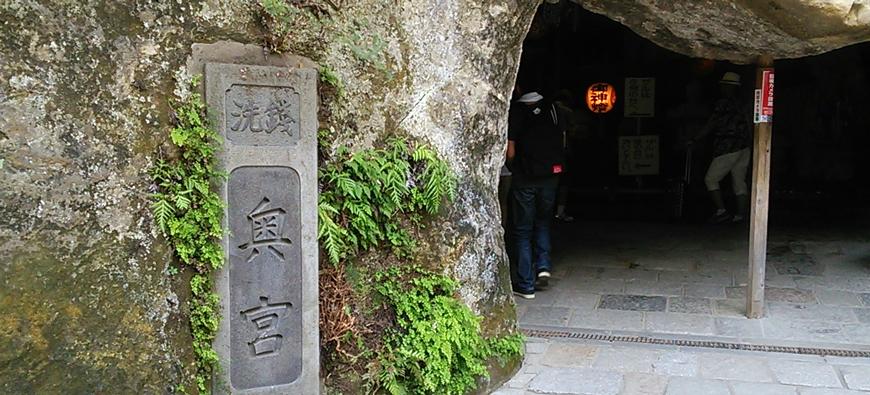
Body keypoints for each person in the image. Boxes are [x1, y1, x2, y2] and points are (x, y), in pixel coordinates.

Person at [506, 91, 565, 299]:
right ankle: (543, 266)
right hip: (550, 177)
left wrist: (514, 167)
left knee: (522, 230)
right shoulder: (553, 110)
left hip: (525, 179)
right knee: (542, 222)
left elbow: (510, 151)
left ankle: (525, 284)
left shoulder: (517, 112)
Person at [690, 72, 752, 223]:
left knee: (710, 179)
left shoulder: (723, 103)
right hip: (744, 146)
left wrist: (695, 138)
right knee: (739, 181)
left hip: (728, 146)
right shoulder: (743, 103)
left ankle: (721, 211)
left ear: (727, 87)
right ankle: (741, 215)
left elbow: (712, 123)